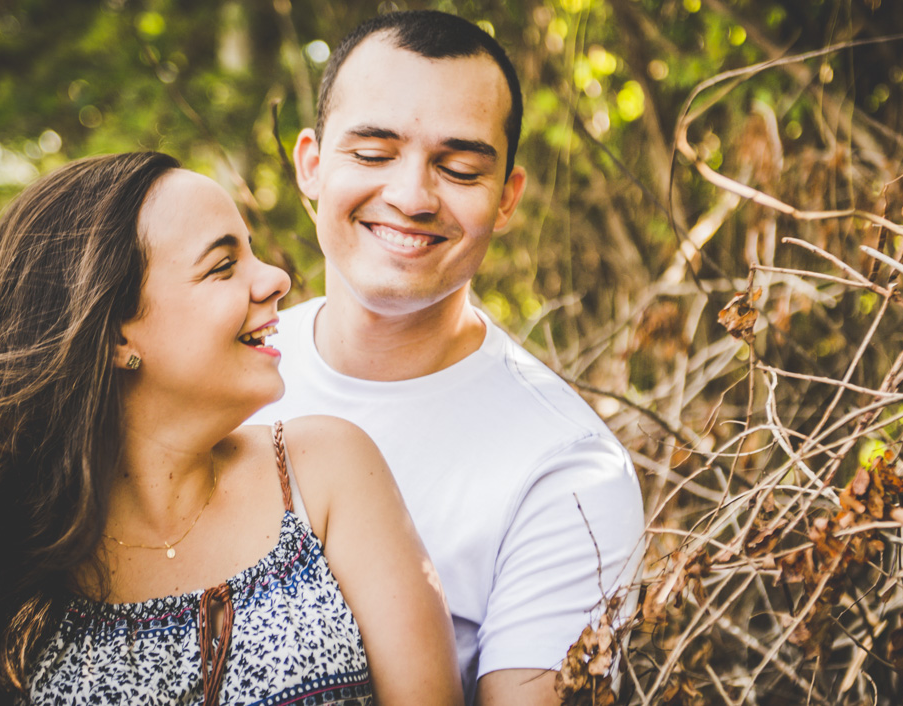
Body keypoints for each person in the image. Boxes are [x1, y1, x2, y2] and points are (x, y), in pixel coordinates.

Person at [0, 152, 463, 705]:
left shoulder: (326, 472)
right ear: (118, 334)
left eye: (251, 251)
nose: (276, 279)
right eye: (222, 266)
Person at [246, 10, 646, 705]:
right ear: (310, 165)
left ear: (506, 197)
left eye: (458, 167)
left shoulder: (569, 471)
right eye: (373, 154)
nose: (410, 196)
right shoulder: (210, 378)